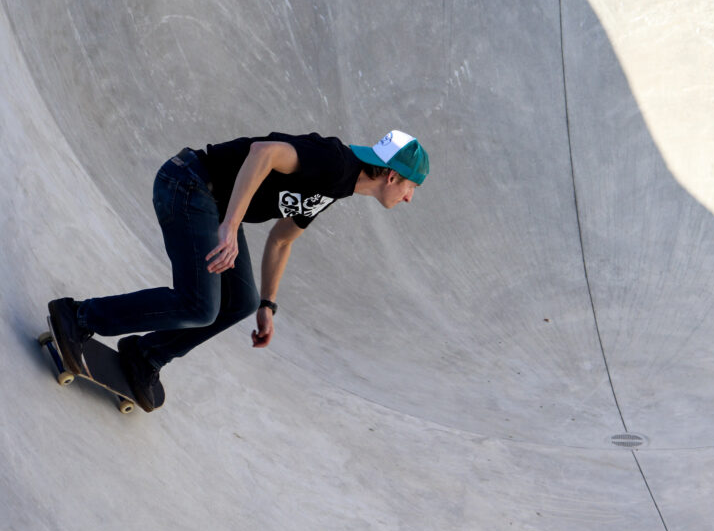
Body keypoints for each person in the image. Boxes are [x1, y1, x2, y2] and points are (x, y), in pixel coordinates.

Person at [48, 130, 429, 411]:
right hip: (188, 184)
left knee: (240, 301)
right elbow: (264, 153)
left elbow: (282, 240)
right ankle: (79, 317)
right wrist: (230, 225)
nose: (411, 198)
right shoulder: (335, 162)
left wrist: (268, 303)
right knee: (198, 304)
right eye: (412, 187)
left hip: (210, 203)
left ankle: (144, 356)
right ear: (392, 176)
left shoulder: (338, 189)